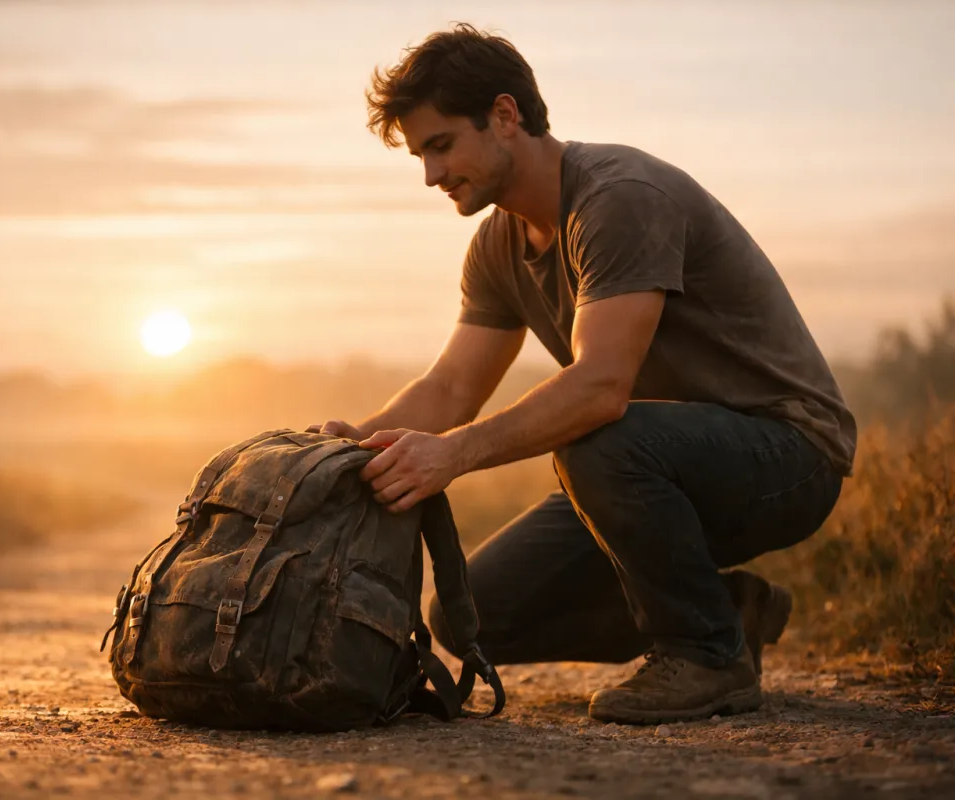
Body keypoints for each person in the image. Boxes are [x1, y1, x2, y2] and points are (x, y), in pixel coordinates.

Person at [307, 23, 856, 725]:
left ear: (505, 115)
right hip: (653, 464)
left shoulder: (619, 198)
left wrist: (453, 455)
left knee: (594, 441)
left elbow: (600, 388)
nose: (431, 175)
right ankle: (726, 614)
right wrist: (348, 449)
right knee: (471, 613)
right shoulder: (497, 246)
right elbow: (450, 389)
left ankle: (706, 657)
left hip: (788, 452)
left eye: (441, 145)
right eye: (421, 156)